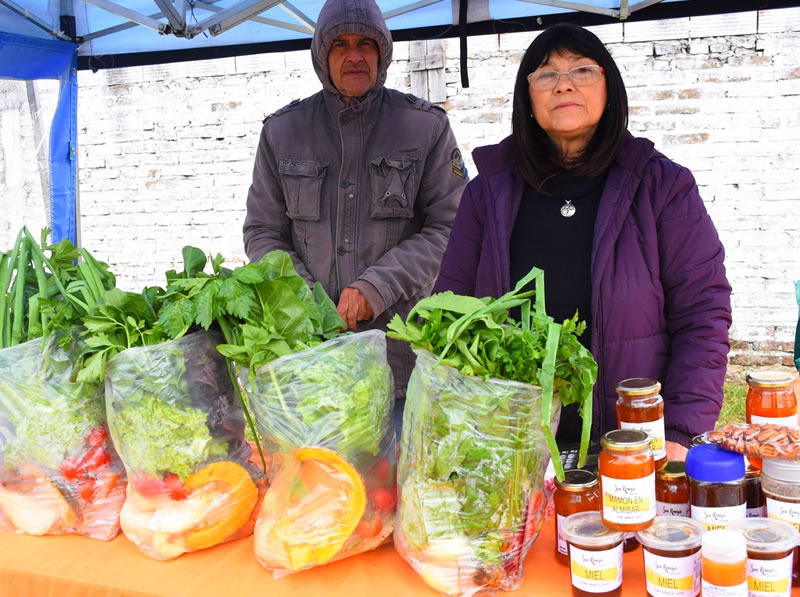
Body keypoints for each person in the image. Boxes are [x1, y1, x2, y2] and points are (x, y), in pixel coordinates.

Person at [433, 23, 732, 460]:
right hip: (512, 448)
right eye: (546, 74)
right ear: (527, 97)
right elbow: (452, 312)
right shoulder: (488, 194)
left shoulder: (661, 187)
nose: (564, 83)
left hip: (634, 447)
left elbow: (703, 314)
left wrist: (681, 432)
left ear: (609, 87)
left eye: (582, 70)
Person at [243, 0, 468, 414]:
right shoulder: (283, 131)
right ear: (321, 55)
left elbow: (452, 229)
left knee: (398, 478)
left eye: (366, 43)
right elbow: (262, 232)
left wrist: (376, 287)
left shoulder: (425, 128)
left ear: (382, 52)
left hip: (402, 361)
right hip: (309, 358)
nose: (355, 56)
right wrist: (306, 298)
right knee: (319, 478)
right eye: (341, 45)